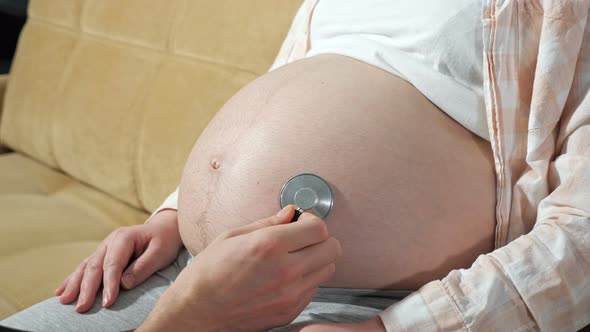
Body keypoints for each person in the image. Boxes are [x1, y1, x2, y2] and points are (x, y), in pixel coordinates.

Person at [3, 0, 590, 331]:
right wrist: (174, 212)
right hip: (191, 268)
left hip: (363, 309)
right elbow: (287, 93)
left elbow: (581, 233)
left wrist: (396, 331)